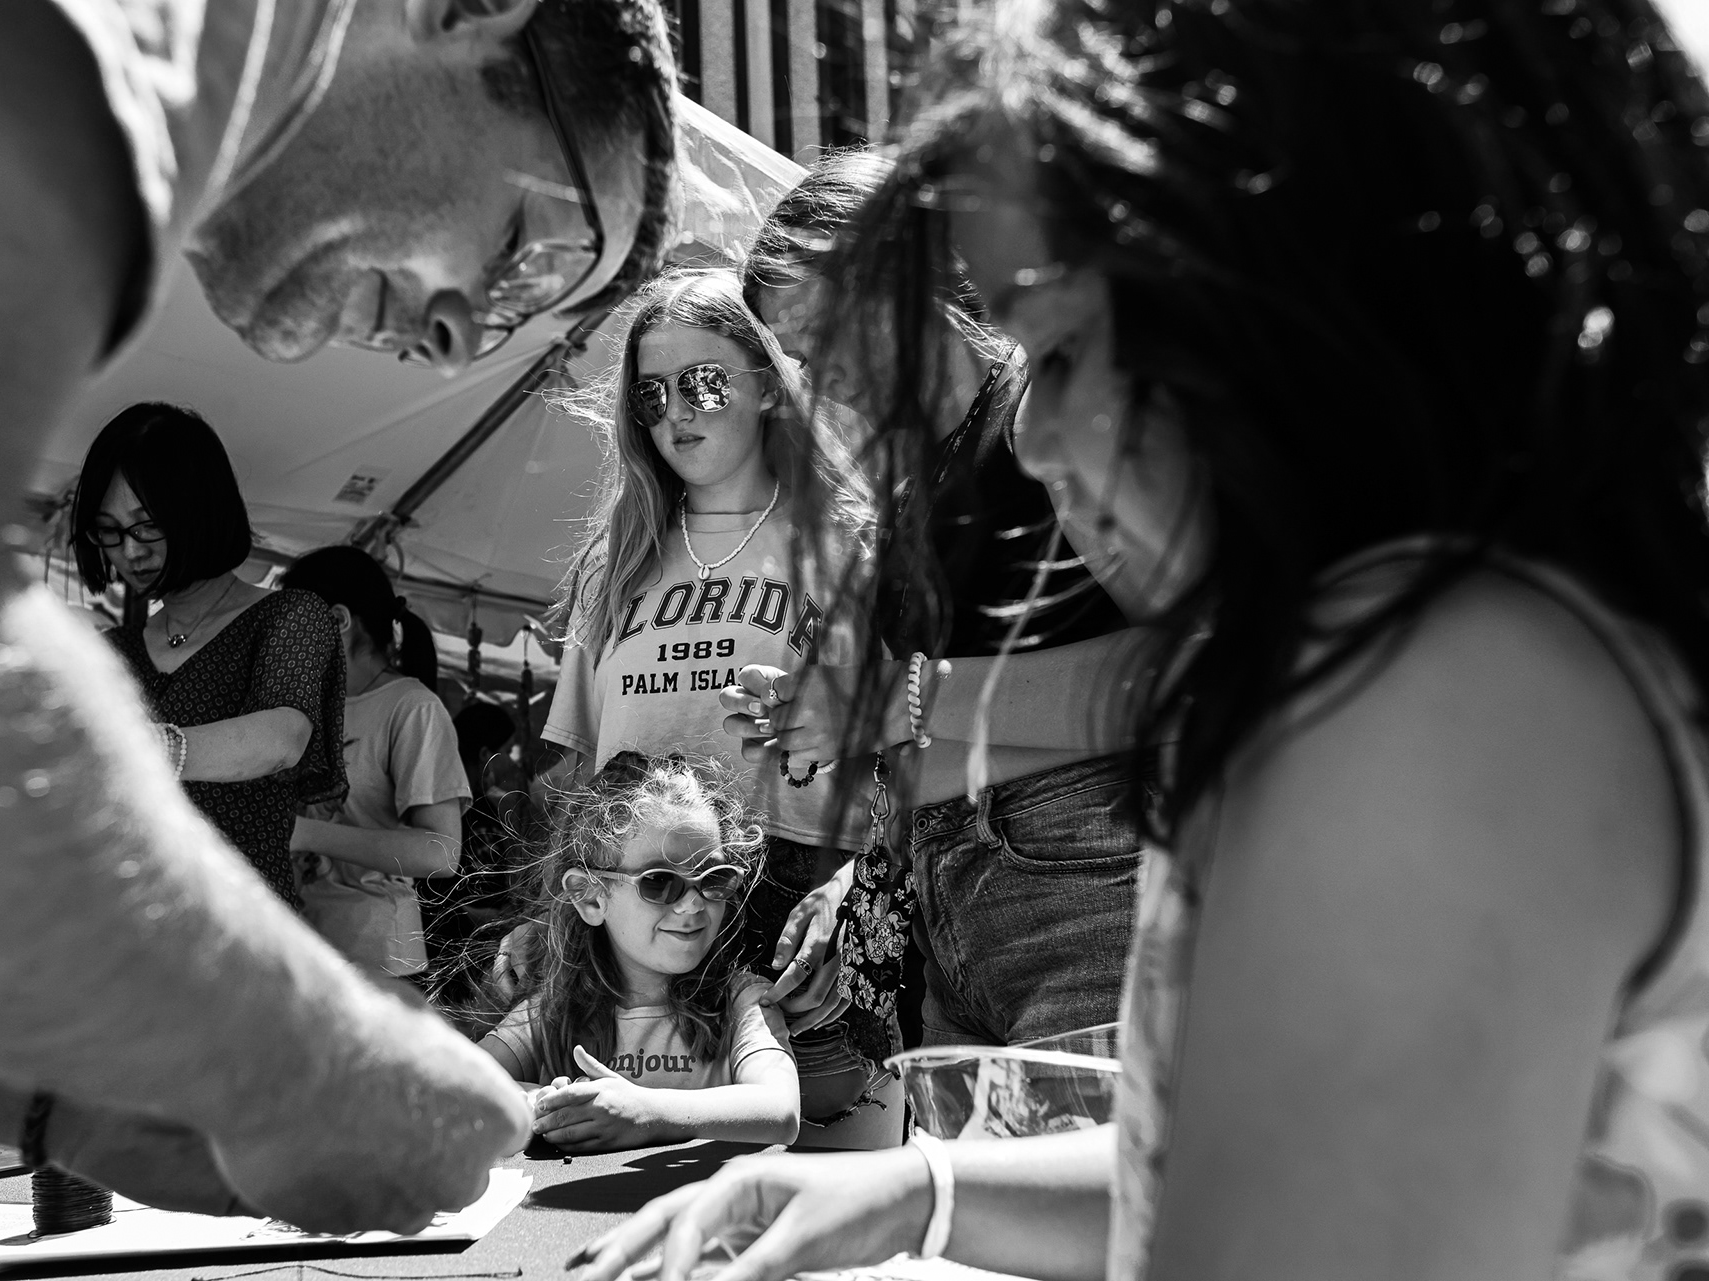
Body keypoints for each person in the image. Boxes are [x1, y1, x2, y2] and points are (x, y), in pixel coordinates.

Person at [571, 0, 1709, 1278]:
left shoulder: (1433, 700)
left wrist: (901, 709)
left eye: (1057, 344)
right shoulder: (1433, 660)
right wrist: (923, 1192)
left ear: (1282, 289)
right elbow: (1239, 1160)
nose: (1040, 436)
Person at [0, 0, 674, 1228]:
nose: (465, 332)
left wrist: (65, 1113)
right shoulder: (163, 41)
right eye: (531, 252)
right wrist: (307, 1065)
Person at [734, 150, 1150, 1057]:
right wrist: (864, 871)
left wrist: (892, 698)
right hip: (949, 917)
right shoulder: (912, 483)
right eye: (799, 354)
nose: (820, 373)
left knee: (1078, 1194)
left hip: (1083, 892)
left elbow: (1191, 668)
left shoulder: (1048, 405)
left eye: (826, 325)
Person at [539, 267, 879, 1120]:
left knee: (819, 1207)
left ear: (767, 383)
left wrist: (858, 891)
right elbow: (575, 775)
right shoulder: (612, 564)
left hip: (805, 903)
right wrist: (548, 921)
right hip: (636, 917)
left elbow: (910, 748)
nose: (674, 413)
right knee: (626, 1198)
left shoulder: (853, 545)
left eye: (702, 382)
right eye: (651, 396)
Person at [79, 403, 347, 909]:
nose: (129, 552)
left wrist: (141, 748)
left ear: (200, 510)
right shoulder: (115, 649)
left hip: (242, 932)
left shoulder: (291, 616)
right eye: (108, 531)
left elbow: (281, 738)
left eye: (146, 525)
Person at [484, 752, 800, 1151]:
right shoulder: (551, 1009)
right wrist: (548, 1104)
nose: (692, 904)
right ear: (590, 897)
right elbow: (459, 1081)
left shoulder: (742, 1002)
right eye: (660, 882)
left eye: (714, 878)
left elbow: (781, 1110)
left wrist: (647, 1112)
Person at [278, 546, 469, 992]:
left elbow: (441, 853)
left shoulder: (413, 708)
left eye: (290, 627)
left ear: (339, 621)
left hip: (378, 959)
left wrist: (302, 833)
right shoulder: (304, 704)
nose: (282, 643)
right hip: (296, 944)